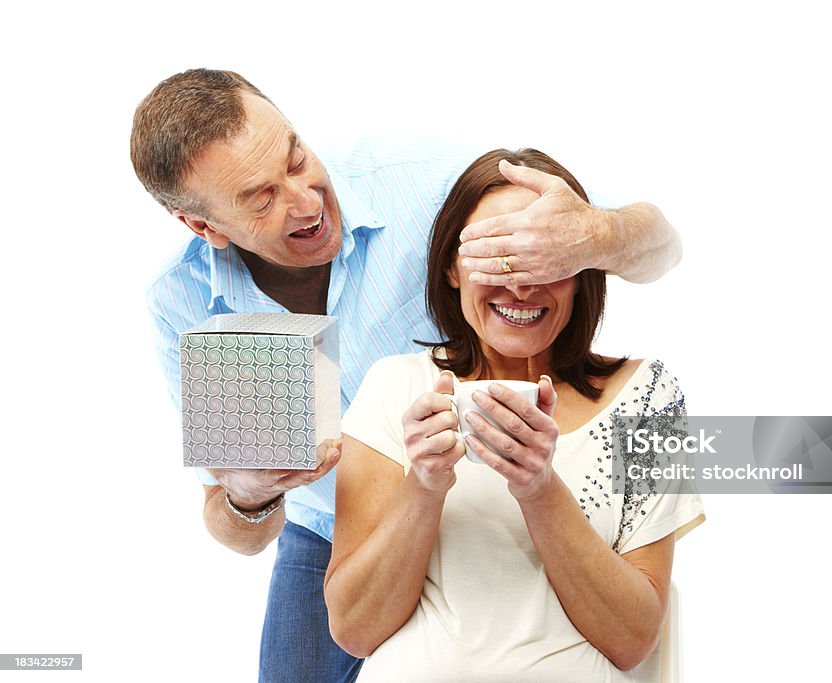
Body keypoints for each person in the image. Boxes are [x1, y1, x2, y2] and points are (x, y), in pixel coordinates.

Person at [133, 69, 684, 682]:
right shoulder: (183, 302)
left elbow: (660, 247)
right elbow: (233, 527)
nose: (308, 200)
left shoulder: (425, 184)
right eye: (261, 198)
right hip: (329, 531)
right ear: (203, 227)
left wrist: (595, 232)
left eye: (296, 158)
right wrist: (249, 495)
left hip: (493, 493)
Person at [325, 149, 705, 682]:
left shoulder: (648, 398)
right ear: (452, 268)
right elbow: (354, 630)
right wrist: (426, 484)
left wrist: (539, 488)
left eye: (545, 258)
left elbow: (634, 639)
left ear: (580, 270)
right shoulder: (396, 387)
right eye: (496, 256)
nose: (522, 286)